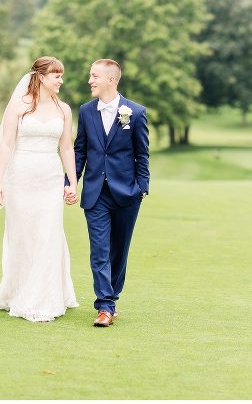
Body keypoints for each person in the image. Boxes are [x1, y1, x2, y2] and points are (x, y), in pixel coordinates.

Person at [0, 56, 79, 322]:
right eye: (57, 76)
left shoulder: (64, 109)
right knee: (22, 236)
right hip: (20, 177)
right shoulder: (19, 106)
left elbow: (66, 147)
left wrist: (72, 182)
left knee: (48, 235)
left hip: (50, 178)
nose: (61, 81)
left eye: (61, 76)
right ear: (41, 77)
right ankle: (16, 293)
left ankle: (45, 298)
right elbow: (7, 144)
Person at [67, 59, 150, 327]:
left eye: (94, 76)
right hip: (95, 193)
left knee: (119, 252)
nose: (89, 80)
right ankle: (104, 305)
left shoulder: (135, 112)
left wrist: (142, 188)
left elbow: (142, 154)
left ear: (111, 80)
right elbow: (80, 150)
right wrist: (71, 181)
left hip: (127, 193)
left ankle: (111, 298)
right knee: (99, 251)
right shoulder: (86, 111)